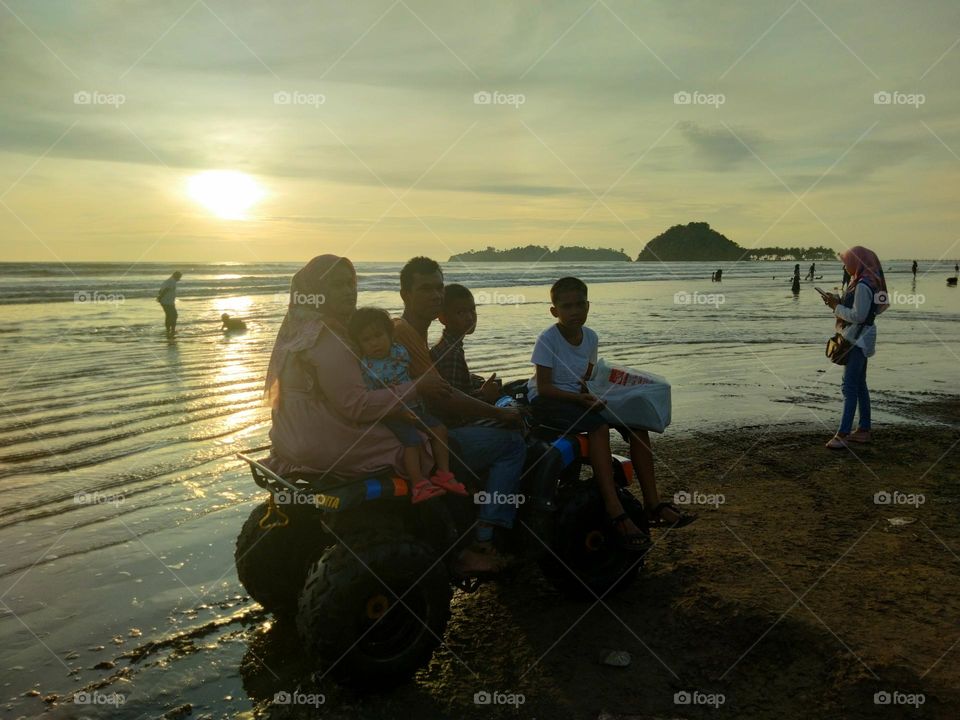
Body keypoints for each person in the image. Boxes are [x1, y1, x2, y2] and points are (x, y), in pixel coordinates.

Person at [528, 277, 696, 550]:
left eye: (580, 305)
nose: (574, 311)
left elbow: (586, 377)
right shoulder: (548, 339)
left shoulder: (591, 336)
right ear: (554, 311)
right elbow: (544, 387)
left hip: (579, 397)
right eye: (567, 306)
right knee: (598, 427)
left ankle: (653, 504)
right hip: (550, 401)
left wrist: (597, 396)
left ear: (588, 305)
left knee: (637, 427)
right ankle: (614, 507)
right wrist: (580, 399)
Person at [392, 257, 526, 575]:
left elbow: (440, 385)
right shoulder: (405, 334)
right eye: (425, 288)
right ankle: (484, 537)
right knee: (513, 444)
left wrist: (477, 389)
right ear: (405, 294)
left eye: (439, 287)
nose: (436, 294)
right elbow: (445, 397)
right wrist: (498, 412)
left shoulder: (410, 333)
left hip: (422, 427)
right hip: (429, 434)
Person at [263, 255, 451, 480]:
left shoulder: (299, 329)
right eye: (337, 285)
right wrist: (417, 387)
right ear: (315, 290)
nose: (348, 291)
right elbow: (357, 406)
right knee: (420, 439)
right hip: (321, 442)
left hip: (286, 439)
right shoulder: (327, 337)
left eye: (351, 283)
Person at [347, 307, 466, 503]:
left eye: (378, 335)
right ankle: (418, 483)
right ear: (359, 344)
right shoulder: (366, 366)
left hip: (414, 406)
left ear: (389, 334)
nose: (374, 343)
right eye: (366, 340)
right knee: (412, 441)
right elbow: (372, 400)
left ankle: (444, 474)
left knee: (439, 428)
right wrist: (398, 414)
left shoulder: (399, 352)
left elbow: (409, 375)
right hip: (393, 413)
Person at [821, 247, 889, 449]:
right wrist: (839, 302)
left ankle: (843, 434)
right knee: (859, 385)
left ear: (858, 262)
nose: (845, 265)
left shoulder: (862, 285)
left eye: (848, 261)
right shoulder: (870, 281)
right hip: (864, 337)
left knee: (849, 386)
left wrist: (836, 308)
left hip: (856, 340)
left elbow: (858, 316)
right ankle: (864, 430)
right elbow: (873, 310)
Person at [157, 271, 182, 336]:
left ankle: (168, 330)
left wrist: (160, 297)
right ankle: (172, 330)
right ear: (176, 276)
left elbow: (160, 290)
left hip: (166, 301)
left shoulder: (167, 281)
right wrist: (160, 297)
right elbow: (166, 290)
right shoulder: (172, 282)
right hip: (167, 302)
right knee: (174, 315)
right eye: (179, 277)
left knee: (169, 316)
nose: (180, 279)